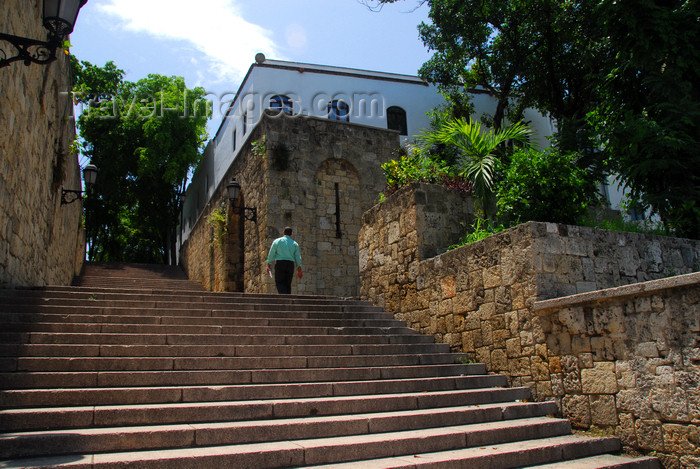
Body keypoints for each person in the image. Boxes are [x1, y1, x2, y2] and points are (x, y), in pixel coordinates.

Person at [266, 227, 303, 294]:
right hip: (290, 264)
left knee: (280, 282)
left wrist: (269, 264)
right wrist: (299, 269)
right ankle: (288, 298)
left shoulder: (277, 241)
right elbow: (298, 257)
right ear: (291, 234)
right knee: (288, 284)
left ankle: (283, 298)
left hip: (280, 263)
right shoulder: (295, 244)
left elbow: (272, 253)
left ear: (283, 233)